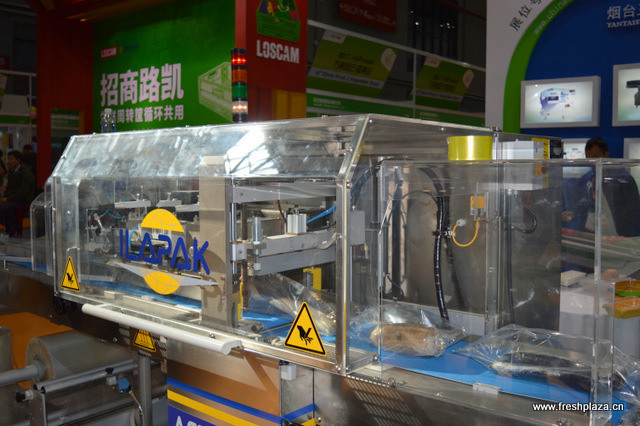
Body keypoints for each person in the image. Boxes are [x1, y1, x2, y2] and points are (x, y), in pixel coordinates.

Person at [563, 137, 640, 237]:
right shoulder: (587, 178)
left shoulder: (623, 178)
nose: (592, 162)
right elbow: (585, 202)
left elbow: (632, 208)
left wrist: (613, 221)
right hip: (591, 231)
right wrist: (573, 213)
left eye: (595, 157)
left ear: (606, 154)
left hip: (616, 233)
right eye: (588, 158)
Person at [0, 150, 35, 236]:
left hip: (23, 199)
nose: (8, 162)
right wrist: (4, 197)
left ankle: (12, 227)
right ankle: (9, 228)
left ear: (18, 160)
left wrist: (7, 199)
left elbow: (23, 191)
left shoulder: (25, 173)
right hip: (14, 198)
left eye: (11, 159)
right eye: (8, 159)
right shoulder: (12, 171)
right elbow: (9, 188)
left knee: (4, 207)